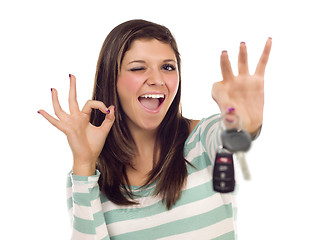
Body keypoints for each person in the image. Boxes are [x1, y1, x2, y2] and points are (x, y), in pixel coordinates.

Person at [38, 19, 272, 240]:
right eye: (139, 68)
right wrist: (84, 162)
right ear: (112, 80)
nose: (157, 79)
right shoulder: (87, 177)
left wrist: (245, 123)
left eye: (168, 67)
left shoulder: (202, 140)